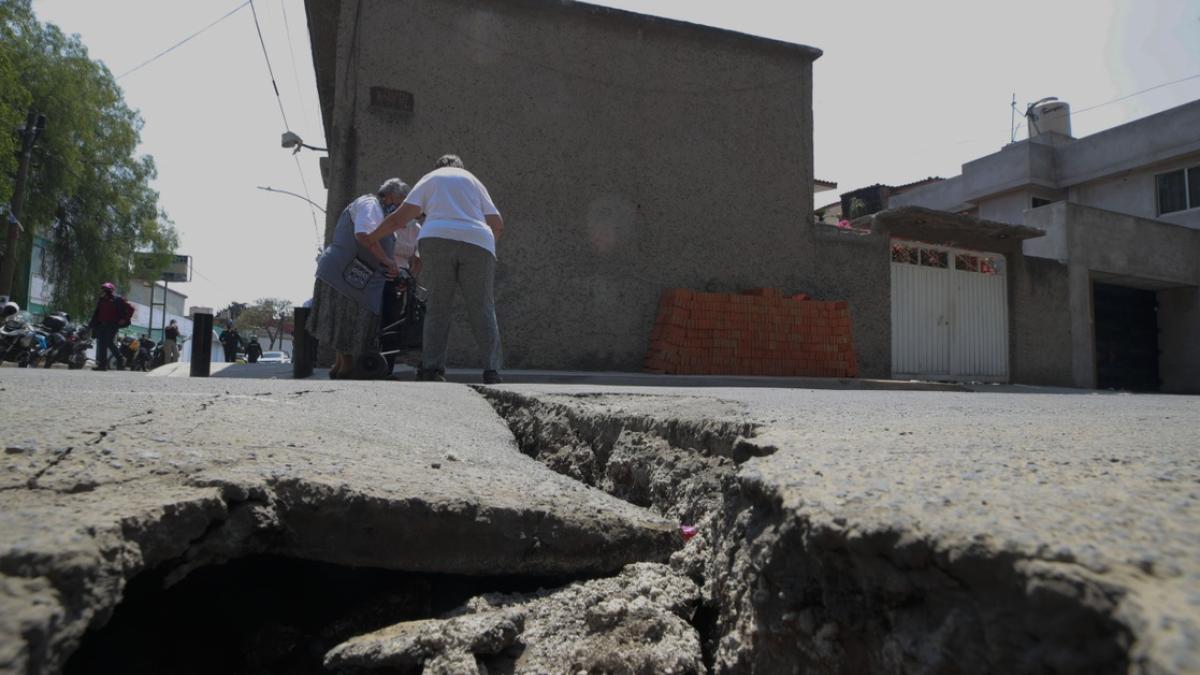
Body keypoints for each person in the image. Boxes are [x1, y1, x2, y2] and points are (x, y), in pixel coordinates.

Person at [367, 154, 504, 384]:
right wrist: (488, 247)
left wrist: (372, 238)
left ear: (437, 167)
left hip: (437, 238)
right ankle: (492, 370)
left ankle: (432, 368)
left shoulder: (432, 178)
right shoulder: (474, 181)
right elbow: (497, 223)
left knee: (438, 307)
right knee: (483, 307)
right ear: (461, 168)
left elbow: (399, 219)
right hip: (479, 242)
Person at [308, 178, 410, 379]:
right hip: (344, 274)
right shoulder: (369, 204)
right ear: (390, 196)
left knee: (348, 320)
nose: (400, 209)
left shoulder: (381, 213)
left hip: (357, 278)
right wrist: (387, 261)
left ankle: (340, 365)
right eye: (400, 203)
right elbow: (363, 235)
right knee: (347, 320)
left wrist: (389, 264)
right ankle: (346, 366)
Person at [88, 282, 132, 371]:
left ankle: (120, 359)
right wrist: (91, 324)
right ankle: (102, 365)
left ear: (111, 291)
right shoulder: (102, 299)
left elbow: (128, 310)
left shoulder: (117, 299)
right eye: (104, 289)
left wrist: (124, 319)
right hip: (102, 324)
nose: (105, 291)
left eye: (107, 290)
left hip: (113, 324)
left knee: (108, 341)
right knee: (101, 343)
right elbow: (97, 313)